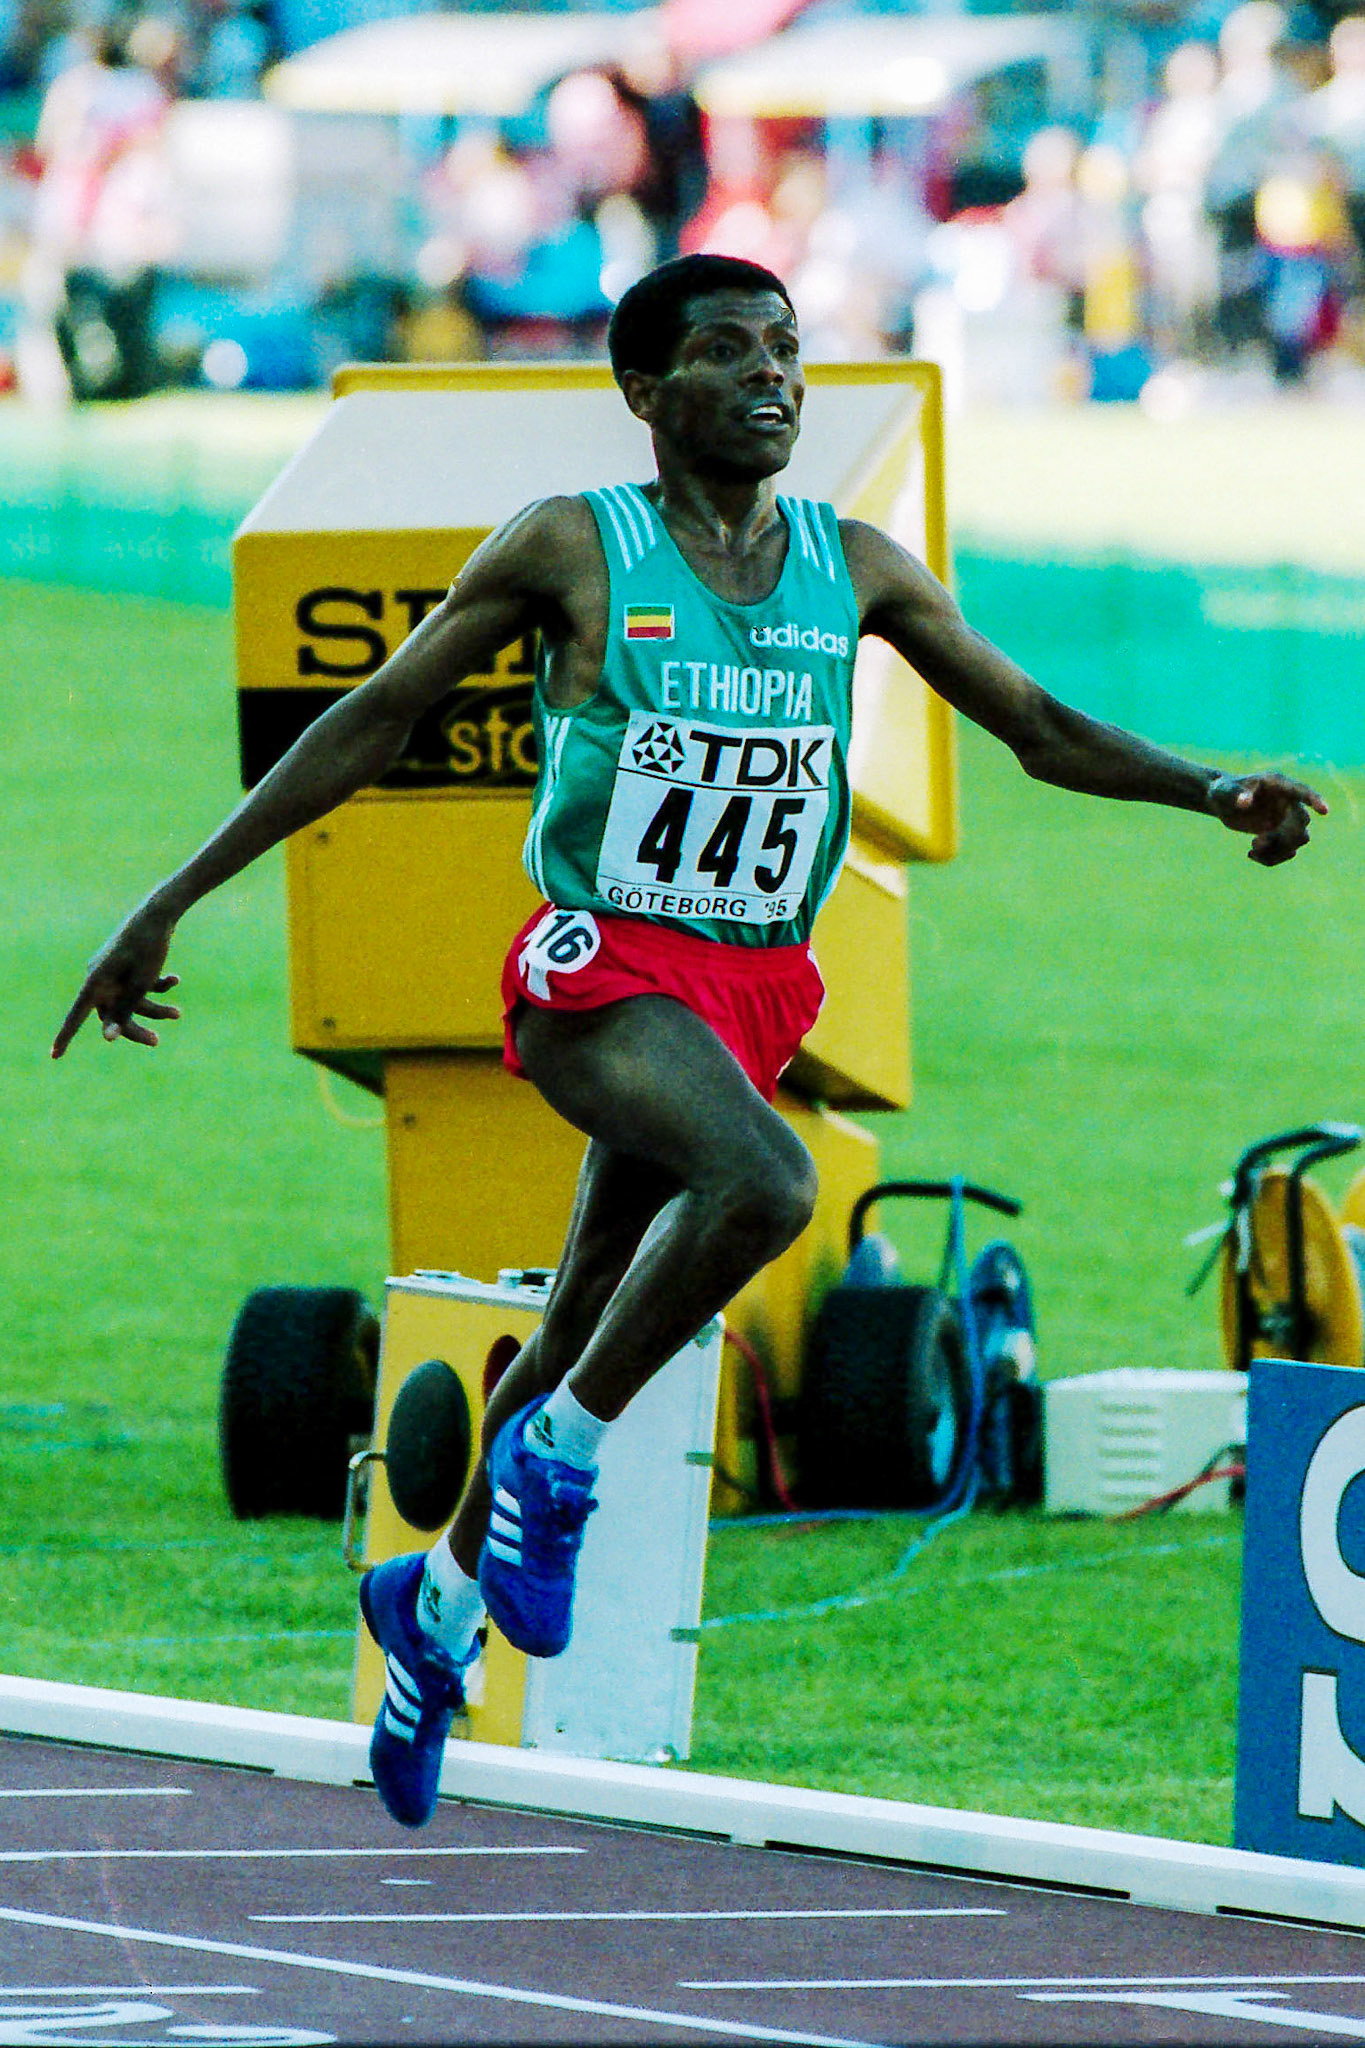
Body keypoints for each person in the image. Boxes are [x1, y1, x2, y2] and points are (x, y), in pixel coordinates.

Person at [53, 252, 1326, 1829]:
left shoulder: (849, 565)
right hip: (598, 966)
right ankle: (559, 1465)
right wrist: (167, 902)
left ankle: (430, 1614)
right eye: (725, 352)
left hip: (747, 986)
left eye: (787, 348)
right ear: (646, 394)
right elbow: (371, 718)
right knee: (769, 1189)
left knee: (589, 1299)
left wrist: (1207, 789)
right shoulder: (573, 550)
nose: (771, 375)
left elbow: (1035, 726)